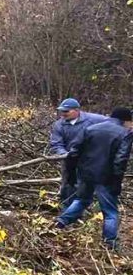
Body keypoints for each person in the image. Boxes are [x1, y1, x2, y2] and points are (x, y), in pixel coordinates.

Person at [56, 108, 133, 251]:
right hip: (106, 177)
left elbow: (75, 150)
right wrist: (117, 182)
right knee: (110, 211)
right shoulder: (125, 133)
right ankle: (110, 243)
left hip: (86, 173)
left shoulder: (91, 128)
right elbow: (120, 160)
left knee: (82, 200)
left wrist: (72, 172)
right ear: (125, 120)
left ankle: (61, 222)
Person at [48, 98, 106, 205]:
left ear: (76, 110)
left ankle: (84, 206)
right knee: (68, 186)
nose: (63, 114)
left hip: (89, 161)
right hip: (69, 161)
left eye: (66, 111)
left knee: (86, 186)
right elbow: (56, 144)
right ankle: (67, 208)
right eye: (62, 111)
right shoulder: (59, 125)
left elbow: (112, 123)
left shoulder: (93, 119)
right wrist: (65, 154)